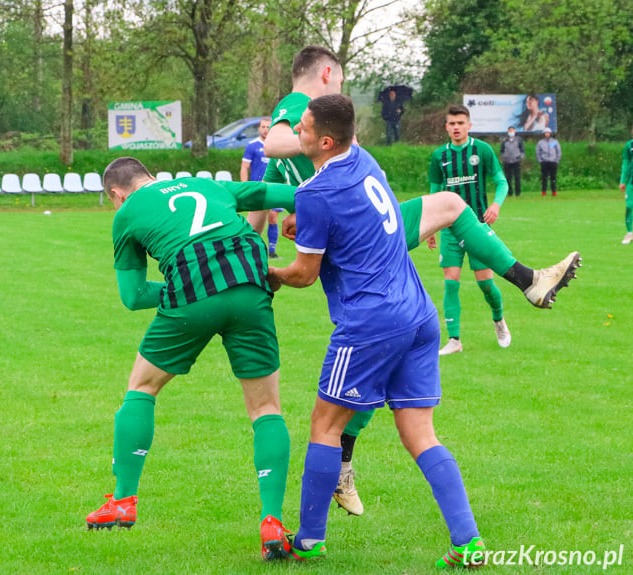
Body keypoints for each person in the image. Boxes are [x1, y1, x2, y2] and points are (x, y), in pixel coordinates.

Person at [263, 45, 581, 517]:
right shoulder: (298, 108)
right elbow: (272, 146)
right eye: (339, 81)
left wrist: (276, 222)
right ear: (327, 73)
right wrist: (321, 149)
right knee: (395, 324)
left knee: (449, 211)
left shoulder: (323, 134)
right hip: (361, 225)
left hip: (366, 218)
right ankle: (527, 280)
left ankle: (529, 280)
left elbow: (267, 192)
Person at [269, 94, 486, 567]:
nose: (294, 133)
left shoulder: (314, 193)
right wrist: (301, 226)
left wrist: (271, 274)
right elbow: (355, 221)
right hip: (417, 313)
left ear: (324, 140)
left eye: (302, 128)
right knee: (420, 434)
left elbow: (305, 274)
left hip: (371, 322)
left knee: (325, 425)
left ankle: (308, 541)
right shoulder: (362, 158)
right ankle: (468, 544)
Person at [85, 157, 299, 561]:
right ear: (150, 175)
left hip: (190, 297)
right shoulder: (206, 184)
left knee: (142, 387)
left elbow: (131, 297)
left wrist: (183, 290)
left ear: (116, 193)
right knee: (267, 408)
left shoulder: (126, 214)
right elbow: (284, 193)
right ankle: (272, 521)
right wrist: (298, 215)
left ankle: (123, 501)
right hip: (251, 285)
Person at [429, 105, 514, 356]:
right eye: (452, 123)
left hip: (477, 227)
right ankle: (454, 340)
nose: (456, 127)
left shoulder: (482, 150)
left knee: (486, 284)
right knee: (451, 282)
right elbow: (434, 191)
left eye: (460, 123)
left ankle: (498, 320)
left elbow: (501, 181)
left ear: (469, 125)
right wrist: (430, 226)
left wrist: (496, 204)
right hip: (449, 229)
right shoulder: (439, 156)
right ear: (446, 127)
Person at [242, 118, 282, 258]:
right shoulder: (252, 145)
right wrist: (245, 185)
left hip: (274, 187)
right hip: (258, 188)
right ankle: (251, 248)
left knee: (272, 217)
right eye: (263, 126)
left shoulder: (279, 145)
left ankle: (272, 251)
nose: (265, 129)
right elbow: (245, 167)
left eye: (268, 127)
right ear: (259, 129)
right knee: (255, 217)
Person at [536, 126, 561, 196]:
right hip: (544, 162)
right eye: (545, 133)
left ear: (550, 133)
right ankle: (544, 191)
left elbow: (558, 151)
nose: (547, 134)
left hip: (553, 162)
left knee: (553, 177)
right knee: (544, 178)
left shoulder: (555, 142)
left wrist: (557, 160)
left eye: (548, 133)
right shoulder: (540, 142)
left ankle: (554, 191)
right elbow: (538, 152)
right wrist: (540, 160)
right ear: (543, 134)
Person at [500, 126, 525, 197]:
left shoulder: (519, 139)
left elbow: (522, 150)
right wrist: (503, 158)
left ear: (515, 131)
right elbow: (502, 150)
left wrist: (520, 157)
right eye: (509, 131)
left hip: (516, 161)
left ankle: (518, 193)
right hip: (507, 161)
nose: (511, 132)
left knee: (517, 177)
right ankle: (509, 193)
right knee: (508, 178)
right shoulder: (504, 140)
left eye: (512, 130)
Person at [619, 127, 633, 244]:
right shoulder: (629, 146)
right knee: (629, 206)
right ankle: (629, 233)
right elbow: (626, 163)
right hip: (631, 183)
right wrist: (622, 180)